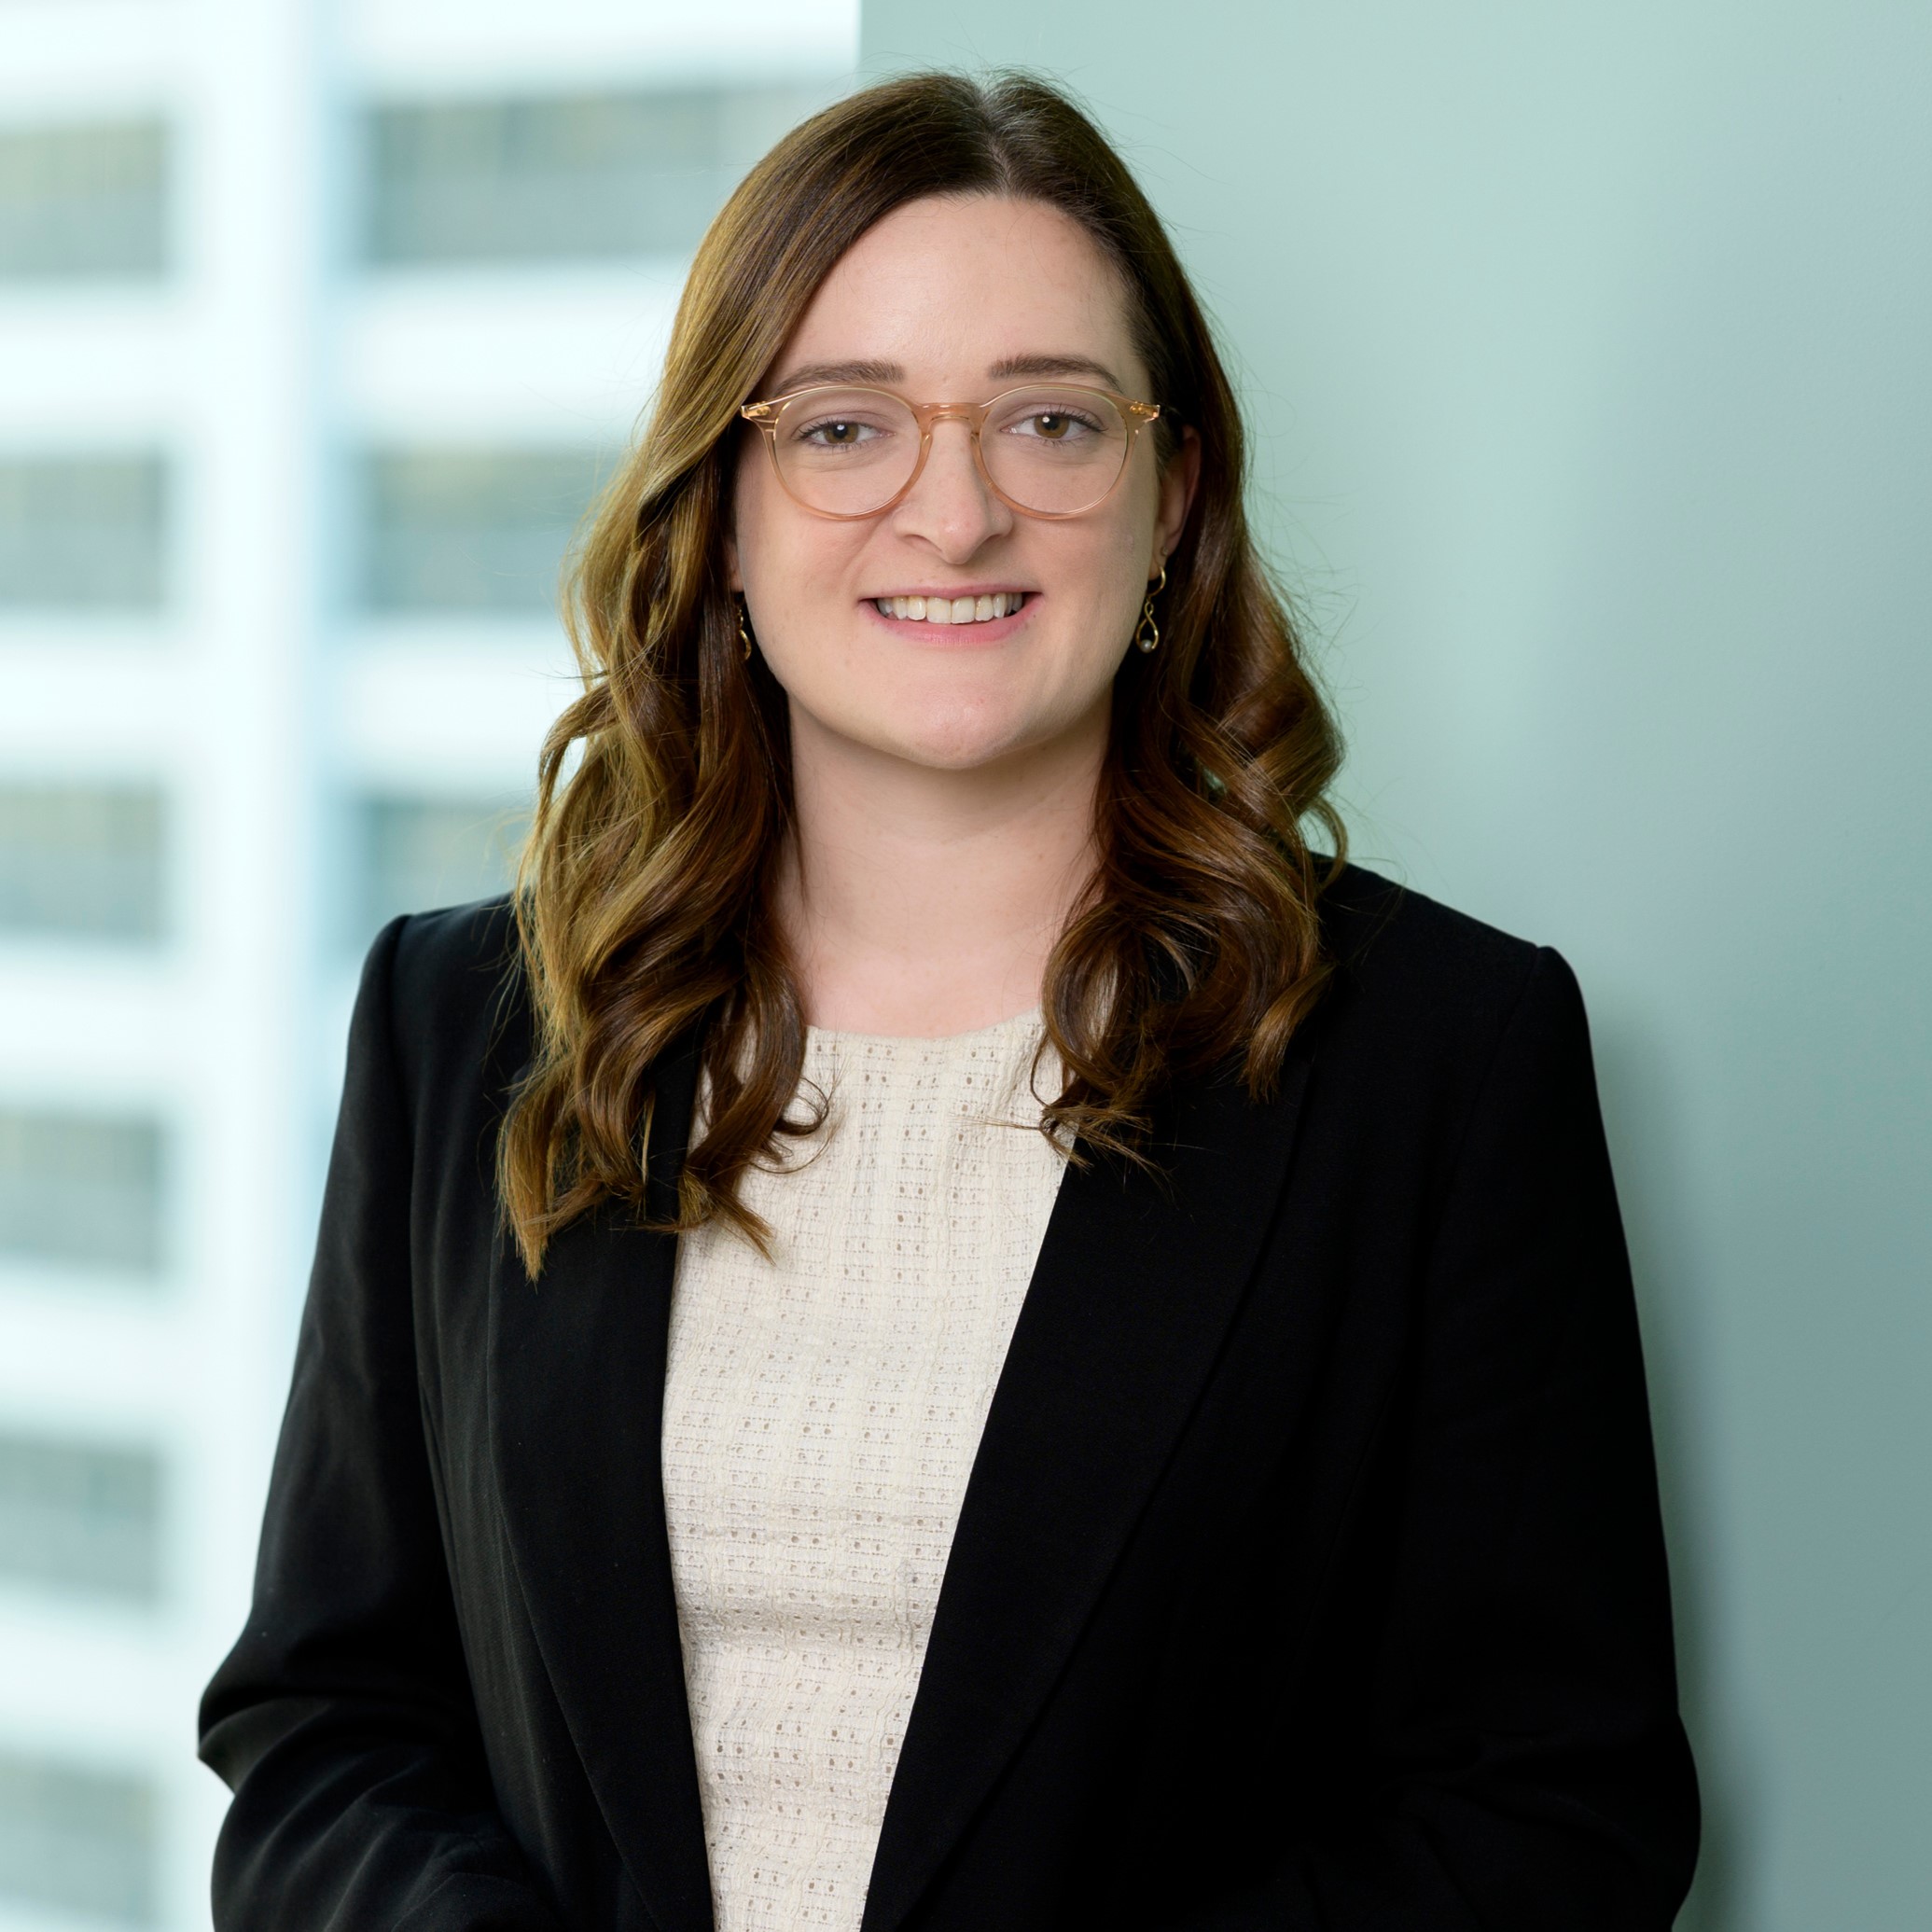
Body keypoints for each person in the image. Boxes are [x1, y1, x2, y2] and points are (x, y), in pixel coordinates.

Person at [199, 69, 1699, 1932]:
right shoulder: (464, 1026)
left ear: (1173, 498)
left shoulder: (1438, 1062)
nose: (958, 508)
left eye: (1050, 419)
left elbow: (1553, 1815)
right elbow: (325, 1733)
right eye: (844, 428)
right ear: (725, 517)